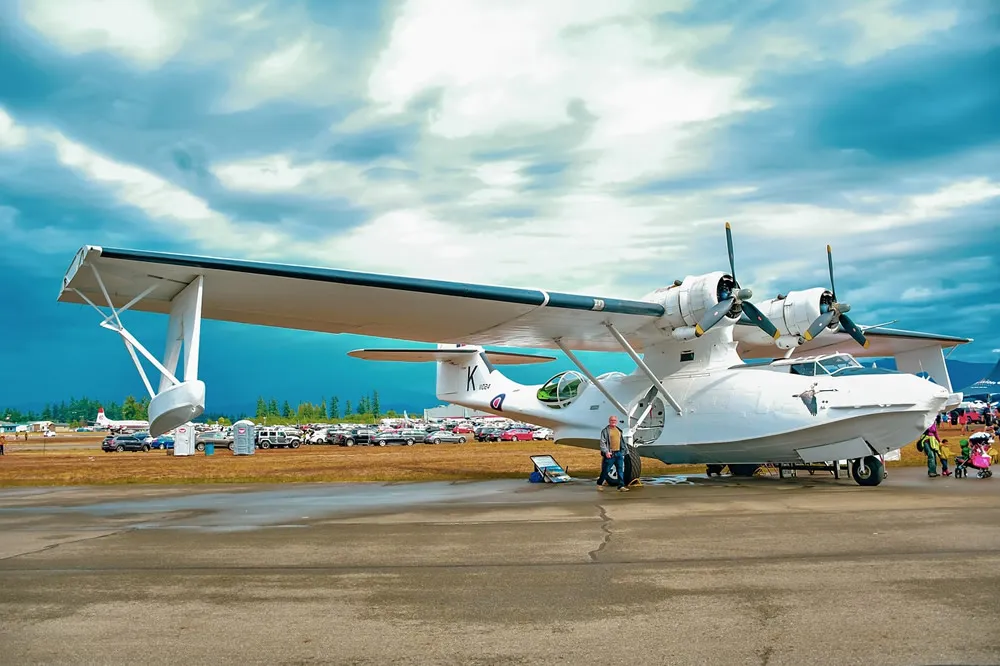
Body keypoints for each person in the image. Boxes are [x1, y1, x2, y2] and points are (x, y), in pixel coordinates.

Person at [597, 415, 629, 492]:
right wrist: (606, 452)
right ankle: (599, 483)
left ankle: (621, 486)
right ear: (609, 421)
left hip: (618, 453)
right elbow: (602, 442)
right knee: (606, 470)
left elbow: (622, 442)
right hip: (610, 454)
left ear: (616, 421)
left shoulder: (618, 430)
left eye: (614, 420)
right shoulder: (605, 431)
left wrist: (624, 451)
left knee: (620, 470)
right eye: (612, 420)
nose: (613, 422)